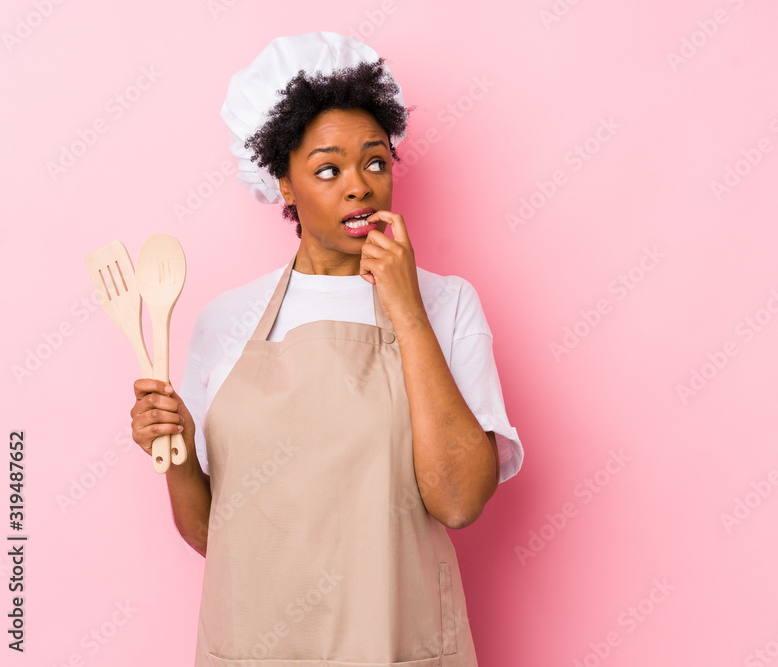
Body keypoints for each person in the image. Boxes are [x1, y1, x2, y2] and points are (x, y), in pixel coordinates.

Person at [128, 32, 523, 665]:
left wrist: (406, 308)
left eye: (375, 161)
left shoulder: (447, 304)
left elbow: (459, 501)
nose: (359, 186)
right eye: (328, 169)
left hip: (393, 645)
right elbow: (218, 535)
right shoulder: (225, 321)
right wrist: (171, 454)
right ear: (284, 184)